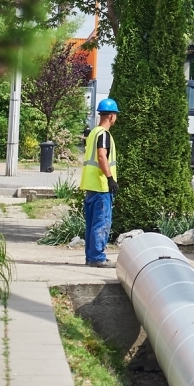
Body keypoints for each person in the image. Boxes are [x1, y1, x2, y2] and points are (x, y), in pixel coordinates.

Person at [80, 98, 119, 268]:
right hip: (101, 186)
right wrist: (110, 178)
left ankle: (91, 257)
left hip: (90, 186)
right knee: (101, 223)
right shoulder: (104, 134)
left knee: (91, 224)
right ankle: (98, 257)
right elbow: (102, 156)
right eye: (115, 115)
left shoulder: (93, 133)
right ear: (111, 116)